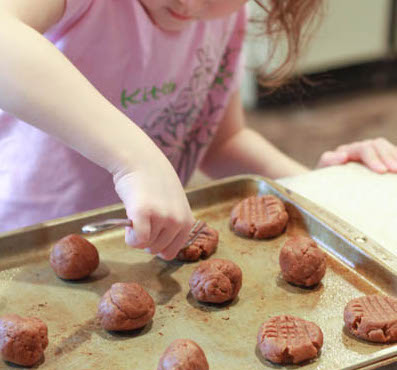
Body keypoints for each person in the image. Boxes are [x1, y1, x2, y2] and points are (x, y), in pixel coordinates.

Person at [0, 0, 396, 260]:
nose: (189, 3)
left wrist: (320, 189)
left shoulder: (223, 20)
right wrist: (134, 160)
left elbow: (223, 142)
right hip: (23, 248)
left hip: (143, 250)